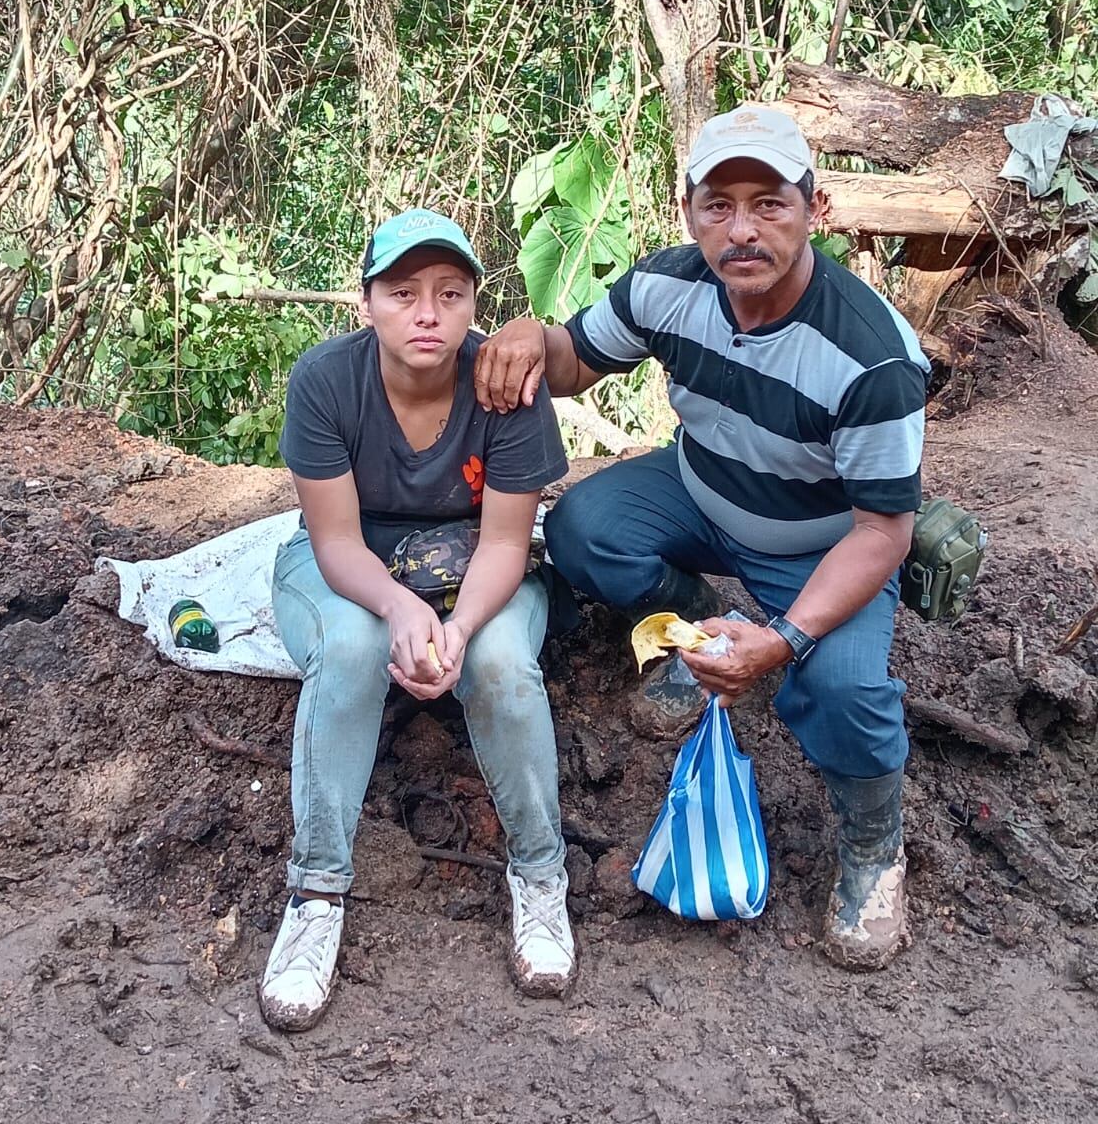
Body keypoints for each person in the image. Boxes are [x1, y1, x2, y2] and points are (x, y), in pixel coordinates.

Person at [475, 106, 929, 973]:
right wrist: (534, 336)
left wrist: (787, 639)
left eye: (769, 203)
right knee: (582, 530)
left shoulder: (871, 358)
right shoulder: (667, 287)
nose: (742, 229)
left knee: (841, 687)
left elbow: (884, 532)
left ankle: (874, 845)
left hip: (823, 541)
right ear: (688, 212)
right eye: (719, 205)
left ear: (816, 208)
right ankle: (701, 625)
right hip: (699, 489)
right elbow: (576, 360)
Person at [259, 209, 574, 1032]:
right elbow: (334, 540)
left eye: (450, 293)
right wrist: (399, 606)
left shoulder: (505, 384)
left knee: (500, 663)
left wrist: (459, 629)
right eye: (403, 293)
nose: (427, 313)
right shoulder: (327, 381)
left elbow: (506, 543)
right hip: (351, 564)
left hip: (473, 566)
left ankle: (541, 876)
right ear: (366, 303)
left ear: (474, 303)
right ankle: (316, 894)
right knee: (353, 646)